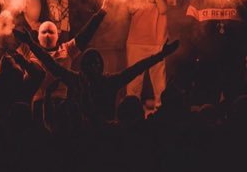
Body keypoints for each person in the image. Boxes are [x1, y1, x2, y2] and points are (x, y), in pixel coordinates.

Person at [14, 27, 179, 121]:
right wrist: (29, 43)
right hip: (93, 133)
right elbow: (50, 64)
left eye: (96, 63)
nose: (94, 67)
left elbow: (138, 67)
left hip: (90, 133)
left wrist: (161, 55)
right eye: (91, 63)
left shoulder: (83, 80)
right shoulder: (100, 81)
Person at [126, 0, 169, 109]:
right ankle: (132, 112)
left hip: (157, 41)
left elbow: (163, 9)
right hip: (136, 41)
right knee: (134, 81)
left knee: (159, 82)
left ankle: (160, 110)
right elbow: (130, 9)